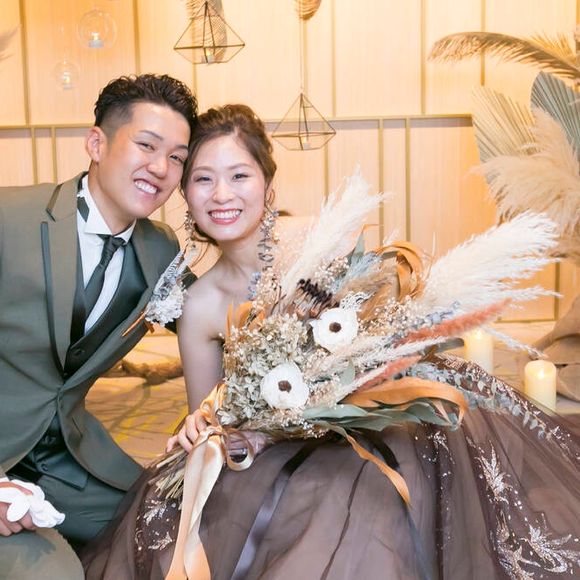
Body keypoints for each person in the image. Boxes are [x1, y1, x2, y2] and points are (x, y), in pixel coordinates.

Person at [83, 104, 580, 579]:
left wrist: (307, 405)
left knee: (364, 493)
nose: (222, 195)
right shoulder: (200, 304)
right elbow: (210, 412)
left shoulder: (316, 242)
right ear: (186, 195)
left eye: (239, 175)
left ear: (268, 186)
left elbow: (379, 343)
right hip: (275, 442)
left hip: (376, 416)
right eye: (203, 179)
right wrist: (207, 425)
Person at [0, 73, 197, 579]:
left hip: (68, 459)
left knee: (176, 534)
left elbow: (214, 322)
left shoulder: (160, 248)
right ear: (96, 143)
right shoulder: (9, 217)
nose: (161, 168)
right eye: (146, 145)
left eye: (177, 157)